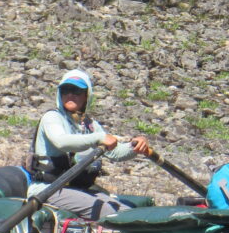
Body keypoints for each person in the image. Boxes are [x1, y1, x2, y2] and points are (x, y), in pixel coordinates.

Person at [26, 69, 151, 219]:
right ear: (60, 93)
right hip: (47, 190)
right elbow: (61, 142)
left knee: (125, 208)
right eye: (66, 90)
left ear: (86, 96)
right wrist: (99, 138)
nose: (70, 94)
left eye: (77, 90)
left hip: (74, 189)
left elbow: (115, 153)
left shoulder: (89, 125)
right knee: (117, 214)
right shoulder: (52, 118)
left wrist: (135, 146)